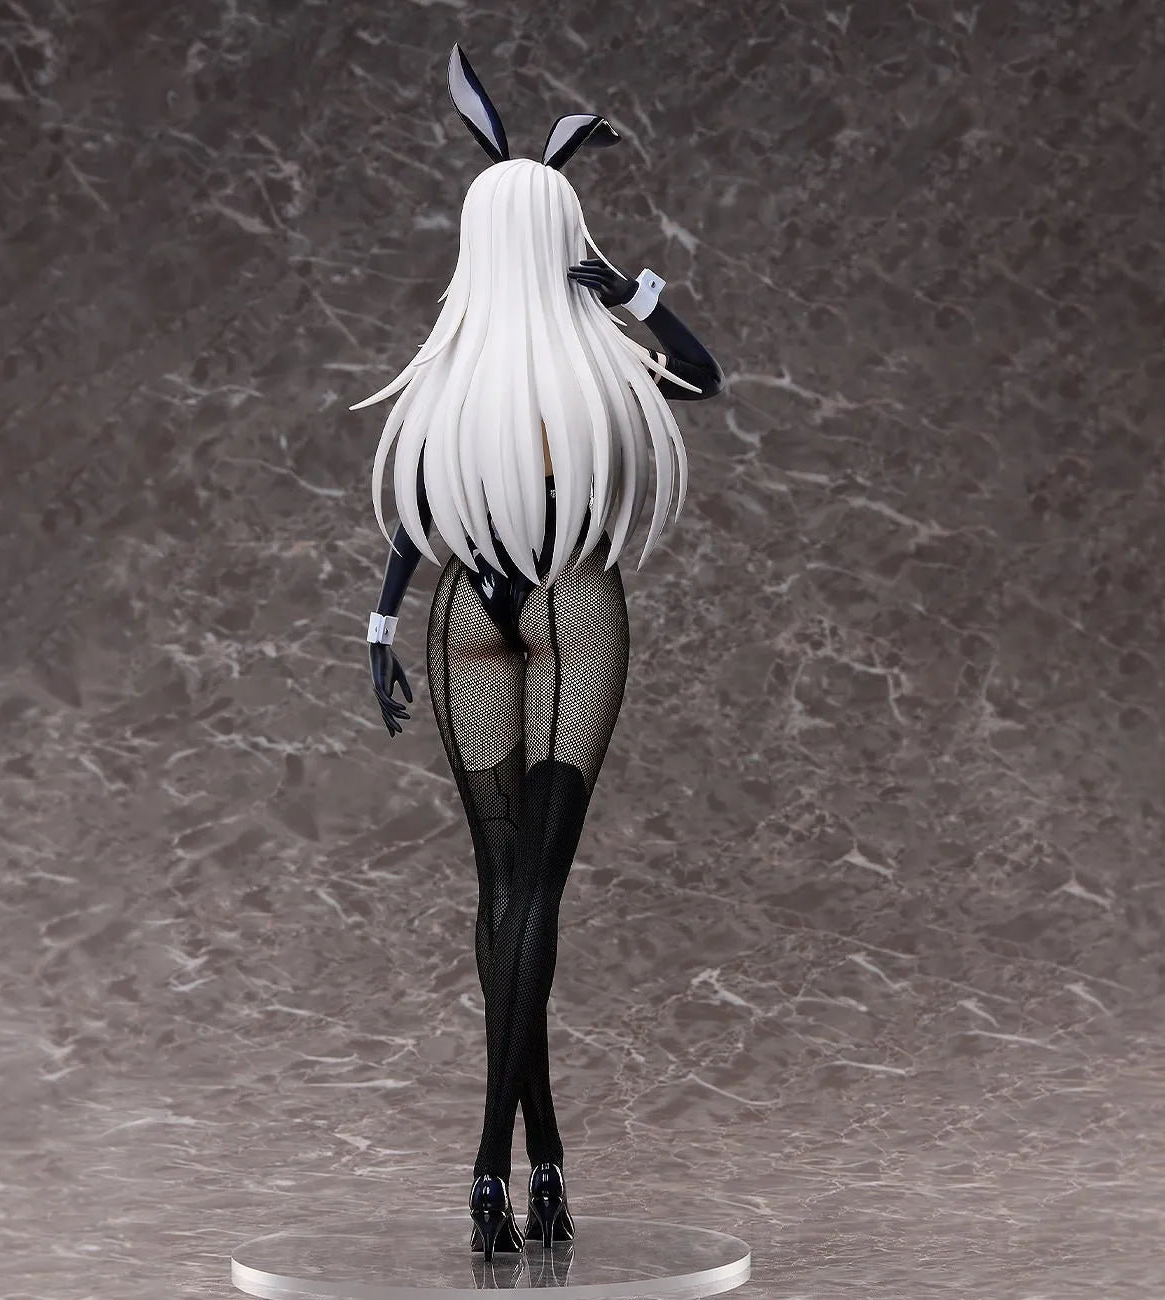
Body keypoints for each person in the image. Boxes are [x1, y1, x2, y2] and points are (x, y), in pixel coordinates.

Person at [350, 44, 724, 1262]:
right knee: (532, 893)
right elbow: (701, 376)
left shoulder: (459, 366)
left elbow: (418, 504)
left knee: (502, 891)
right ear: (562, 233)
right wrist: (632, 290)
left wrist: (380, 623)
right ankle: (502, 1164)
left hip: (464, 609)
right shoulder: (590, 357)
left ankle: (527, 1164)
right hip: (566, 603)